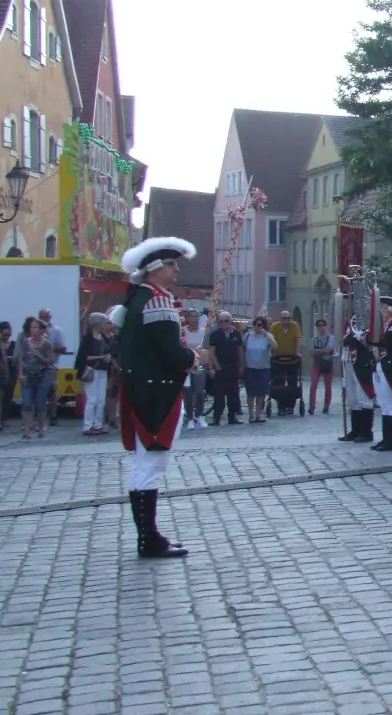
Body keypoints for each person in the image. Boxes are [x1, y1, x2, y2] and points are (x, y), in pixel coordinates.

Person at [116, 236, 211, 559]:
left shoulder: (138, 298)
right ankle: (149, 538)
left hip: (143, 387)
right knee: (151, 464)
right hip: (157, 392)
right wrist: (194, 356)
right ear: (155, 268)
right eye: (171, 264)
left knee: (146, 463)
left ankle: (149, 535)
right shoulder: (156, 301)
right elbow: (172, 354)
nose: (176, 270)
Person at [370, 296, 392, 452]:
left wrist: (369, 339)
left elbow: (388, 342)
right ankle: (386, 438)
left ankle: (391, 440)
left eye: (385, 308)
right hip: (382, 364)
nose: (383, 310)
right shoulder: (386, 326)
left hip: (391, 365)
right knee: (384, 404)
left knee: (390, 404)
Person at [339, 319, 379, 445]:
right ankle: (355, 430)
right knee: (352, 399)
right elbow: (344, 338)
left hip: (362, 362)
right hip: (348, 361)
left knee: (364, 397)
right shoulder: (348, 321)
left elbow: (366, 339)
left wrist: (351, 339)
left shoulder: (367, 319)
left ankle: (366, 432)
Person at [77, 313, 116, 436]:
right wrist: (102, 357)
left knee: (101, 400)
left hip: (102, 370)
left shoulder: (103, 337)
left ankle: (98, 425)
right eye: (104, 322)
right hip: (92, 370)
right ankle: (88, 425)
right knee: (92, 399)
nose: (105, 324)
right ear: (97, 323)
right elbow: (85, 357)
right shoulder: (88, 338)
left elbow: (108, 352)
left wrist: (108, 358)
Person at [17, 317, 55, 439]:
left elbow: (50, 361)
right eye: (31, 327)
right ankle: (26, 430)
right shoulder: (26, 342)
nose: (32, 330)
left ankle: (41, 429)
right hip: (28, 375)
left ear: (41, 330)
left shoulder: (47, 344)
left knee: (40, 403)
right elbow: (21, 359)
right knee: (27, 403)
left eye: (35, 327)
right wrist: (20, 373)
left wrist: (39, 356)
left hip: (42, 376)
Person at [206, 313, 244, 426]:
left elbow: (240, 351)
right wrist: (213, 367)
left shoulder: (236, 334)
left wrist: (242, 365)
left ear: (230, 321)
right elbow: (211, 352)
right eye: (221, 321)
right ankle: (216, 417)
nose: (223, 323)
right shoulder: (215, 335)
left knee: (234, 393)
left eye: (226, 320)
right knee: (219, 394)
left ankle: (232, 416)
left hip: (233, 366)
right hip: (220, 366)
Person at [243, 317, 276, 423]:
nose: (257, 327)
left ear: (264, 326)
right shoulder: (248, 336)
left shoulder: (267, 336)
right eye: (256, 324)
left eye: (260, 325)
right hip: (250, 367)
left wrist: (266, 335)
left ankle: (258, 414)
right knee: (250, 392)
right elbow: (243, 349)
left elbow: (275, 347)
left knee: (261, 392)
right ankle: (251, 415)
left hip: (264, 368)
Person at [308, 318, 336, 415]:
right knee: (313, 384)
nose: (321, 327)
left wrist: (317, 351)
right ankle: (312, 406)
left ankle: (326, 406)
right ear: (317, 327)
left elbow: (329, 349)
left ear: (325, 326)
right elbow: (311, 353)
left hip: (327, 364)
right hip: (317, 364)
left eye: (322, 325)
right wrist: (323, 350)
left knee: (328, 385)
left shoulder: (331, 338)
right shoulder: (314, 339)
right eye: (319, 325)